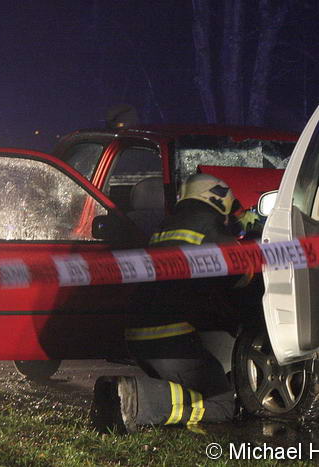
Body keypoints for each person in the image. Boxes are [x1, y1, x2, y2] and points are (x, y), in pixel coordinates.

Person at [91, 174, 247, 431]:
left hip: (140, 335)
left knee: (186, 389)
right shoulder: (208, 224)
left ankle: (119, 394)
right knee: (221, 402)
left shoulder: (166, 227)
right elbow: (239, 273)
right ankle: (137, 398)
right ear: (217, 198)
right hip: (170, 337)